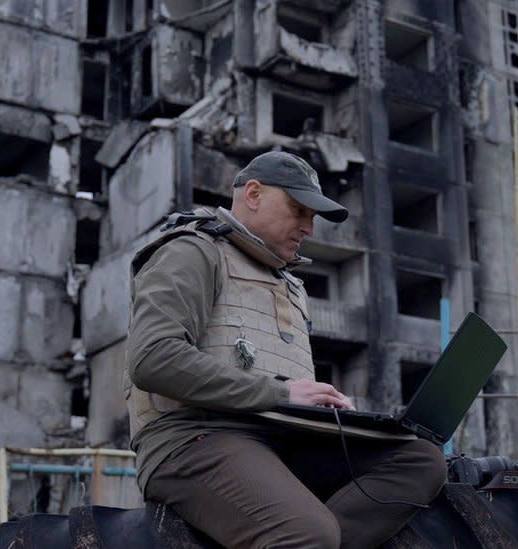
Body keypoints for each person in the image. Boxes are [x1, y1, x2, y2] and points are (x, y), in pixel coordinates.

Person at [124, 151, 446, 548]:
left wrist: (331, 412)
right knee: (306, 532)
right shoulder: (193, 251)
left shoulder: (289, 284)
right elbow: (153, 358)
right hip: (195, 437)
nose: (309, 227)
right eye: (299, 210)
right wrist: (282, 392)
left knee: (420, 459)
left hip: (278, 436)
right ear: (254, 194)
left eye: (313, 217)